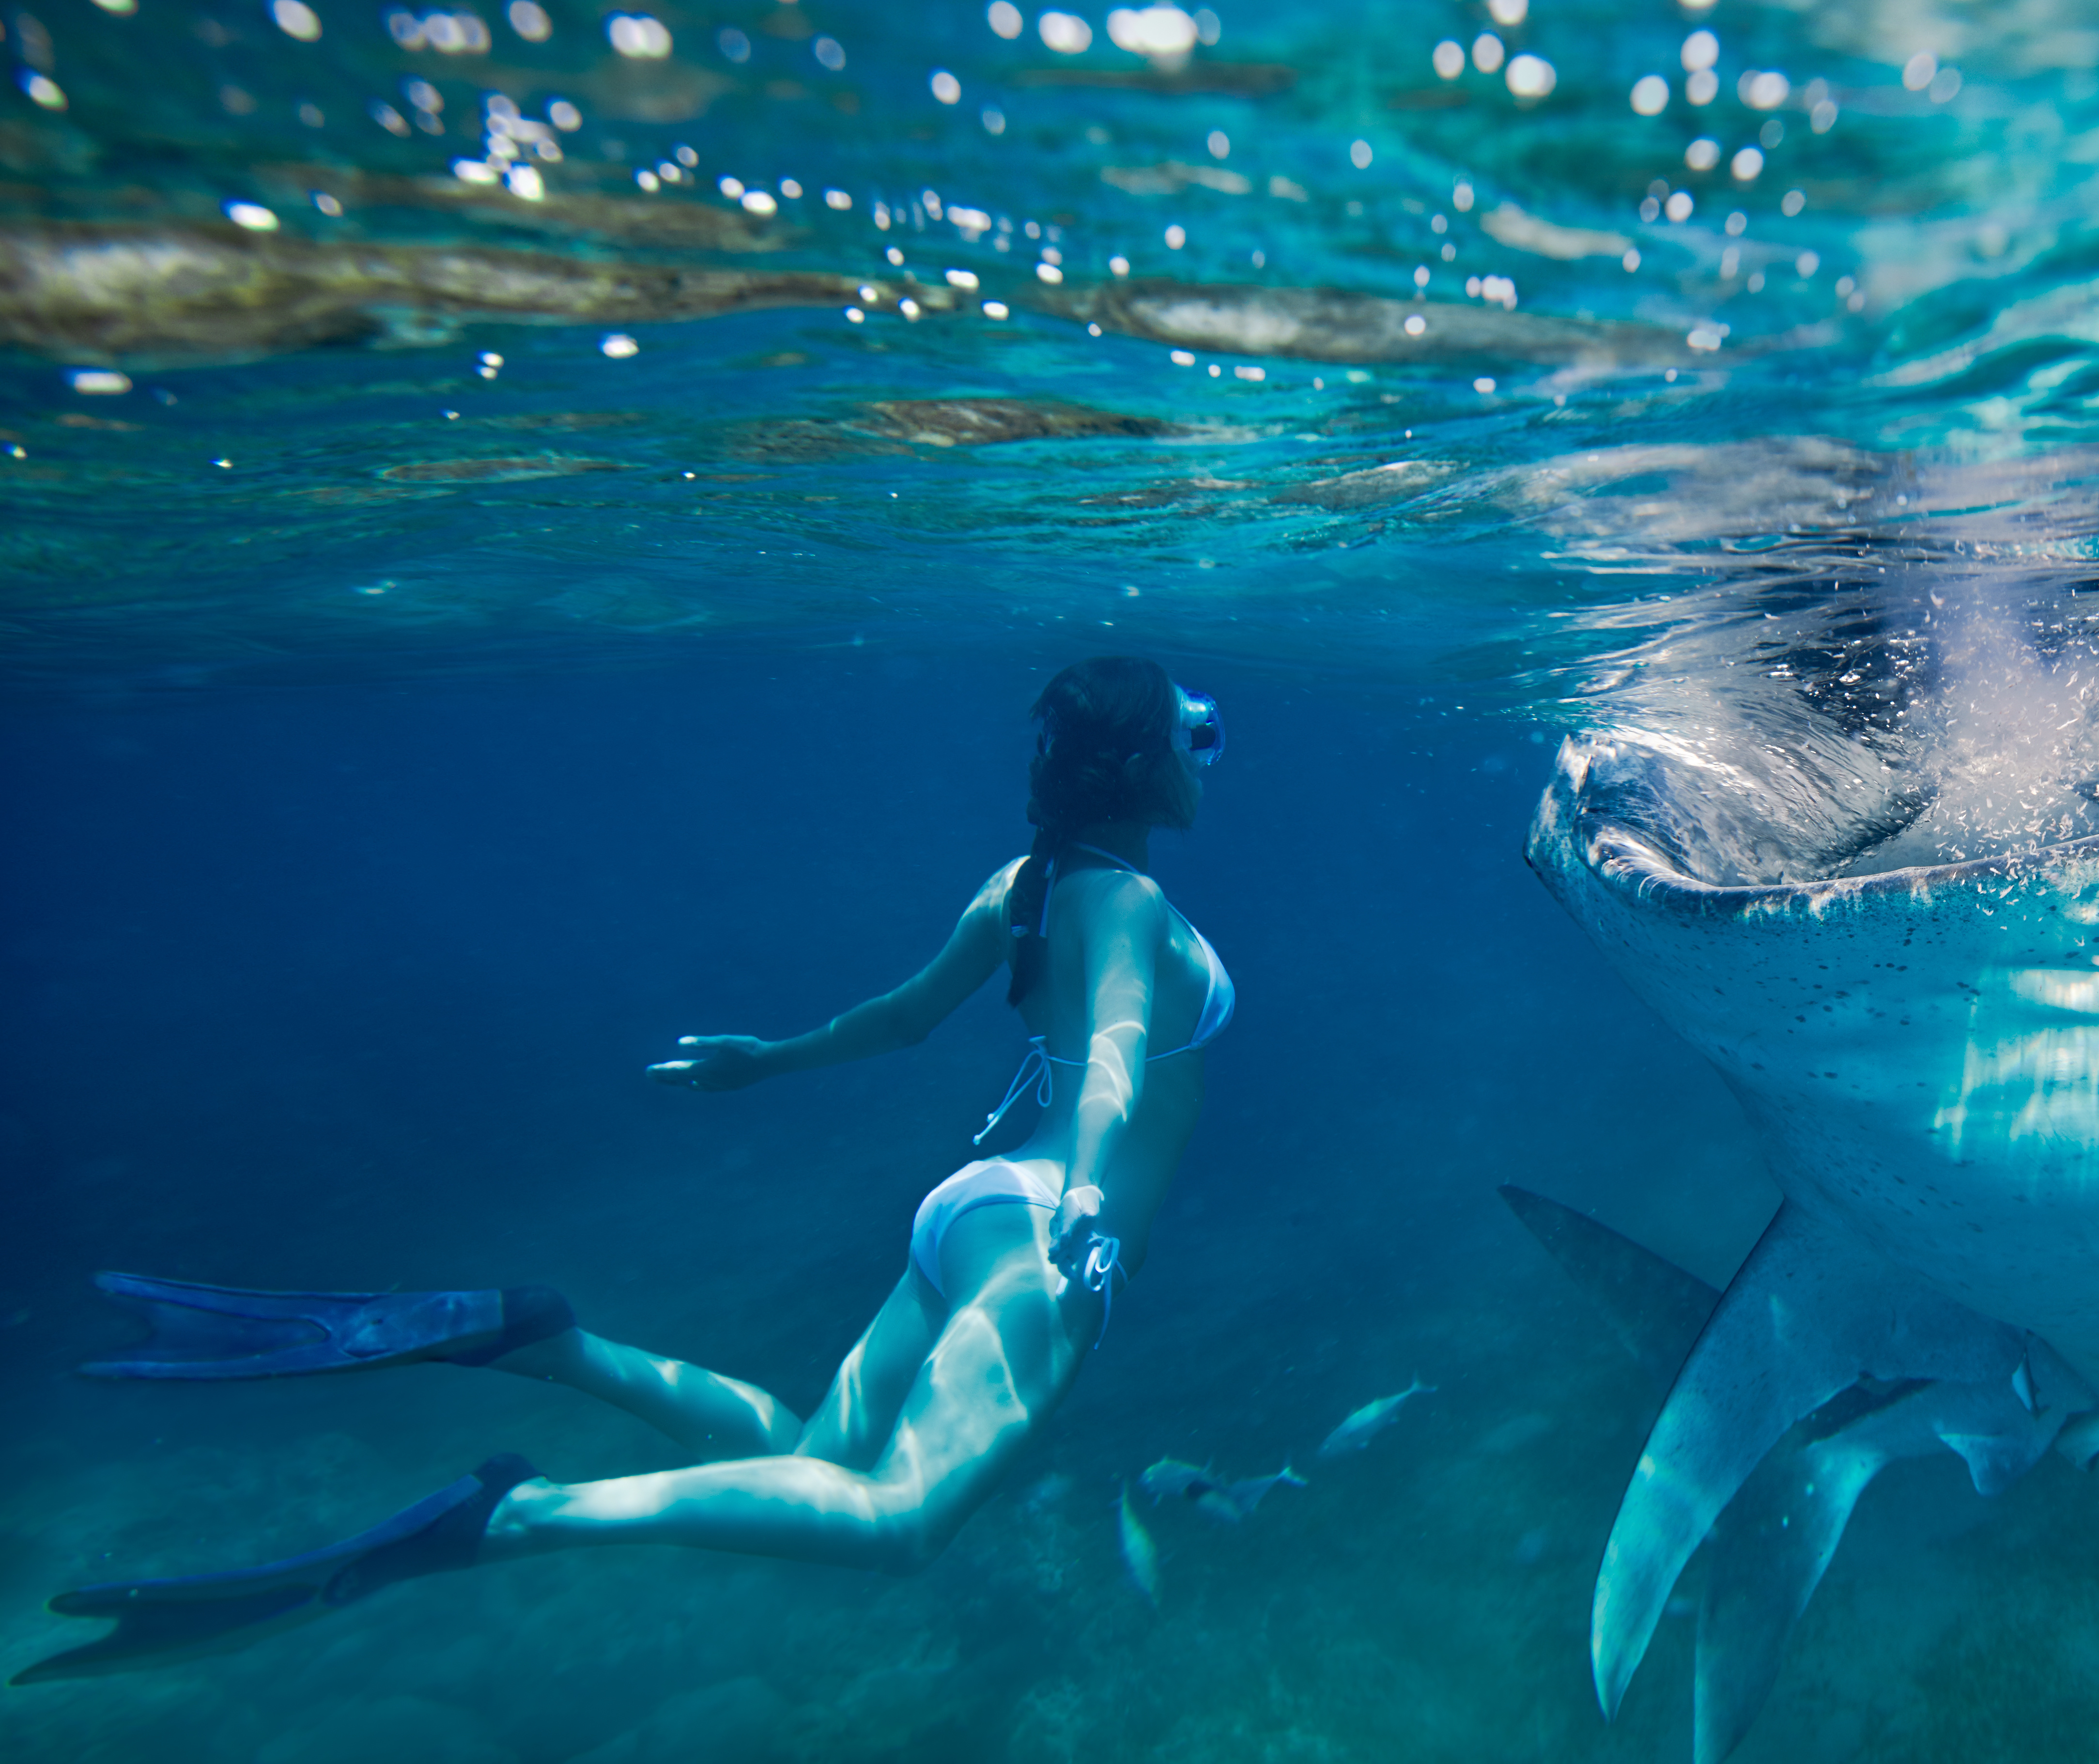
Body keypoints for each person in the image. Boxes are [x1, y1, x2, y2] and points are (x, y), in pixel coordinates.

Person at [15, 656, 1234, 1685]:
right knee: (898, 1521)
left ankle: (552, 1344)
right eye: (1192, 740)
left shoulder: (1021, 885)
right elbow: (1117, 1049)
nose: (1204, 760)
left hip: (974, 1216)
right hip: (1051, 1233)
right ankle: (521, 1518)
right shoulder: (1124, 906)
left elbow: (903, 1018)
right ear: (1136, 767)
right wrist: (1083, 1193)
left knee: (814, 1460)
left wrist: (767, 1062)